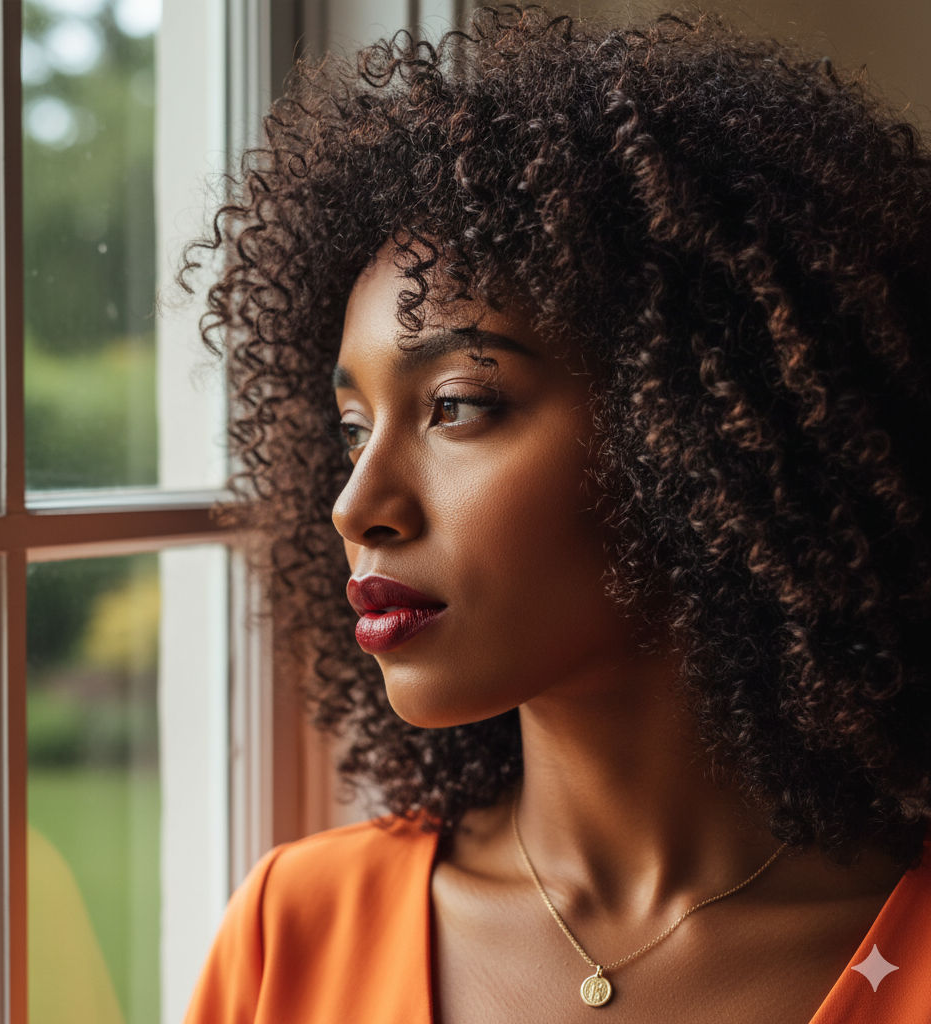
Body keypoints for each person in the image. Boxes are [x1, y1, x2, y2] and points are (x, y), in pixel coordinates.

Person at [181, 6, 931, 1021]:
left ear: (693, 424)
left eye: (457, 406)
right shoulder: (297, 930)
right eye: (354, 427)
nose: (357, 503)